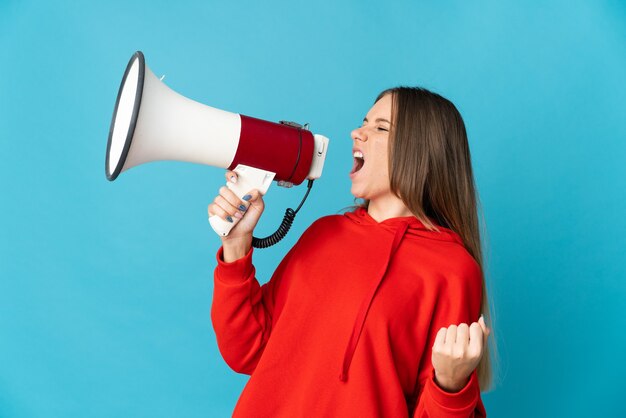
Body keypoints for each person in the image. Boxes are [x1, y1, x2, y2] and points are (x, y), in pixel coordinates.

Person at [208, 87, 493, 417]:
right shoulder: (324, 234)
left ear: (421, 151)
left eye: (380, 127)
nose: (357, 133)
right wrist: (236, 244)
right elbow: (246, 350)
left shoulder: (452, 269)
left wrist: (451, 385)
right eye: (364, 123)